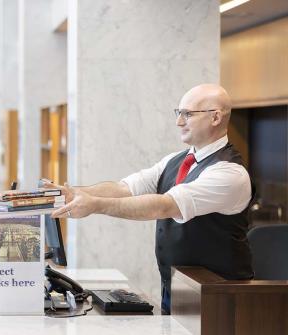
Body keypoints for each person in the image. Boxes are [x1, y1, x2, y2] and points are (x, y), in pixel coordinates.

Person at [50, 83, 254, 314]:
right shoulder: (175, 161)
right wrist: (77, 193)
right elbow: (125, 188)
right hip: (179, 289)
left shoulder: (229, 173)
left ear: (215, 117)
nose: (179, 122)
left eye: (187, 114)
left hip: (221, 298)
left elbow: (165, 205)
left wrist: (95, 205)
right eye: (178, 113)